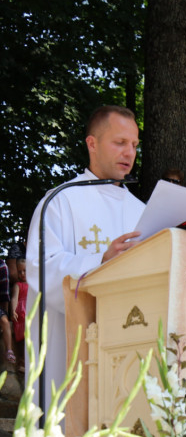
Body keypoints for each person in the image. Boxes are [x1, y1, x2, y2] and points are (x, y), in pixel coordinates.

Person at [26, 105, 145, 406]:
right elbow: (41, 270)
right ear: (92, 143)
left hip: (126, 345)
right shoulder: (60, 200)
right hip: (68, 351)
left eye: (134, 145)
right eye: (120, 142)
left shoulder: (141, 211)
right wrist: (100, 263)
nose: (129, 153)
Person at [10, 259, 27, 370]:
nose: (22, 274)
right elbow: (14, 298)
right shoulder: (18, 285)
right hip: (21, 314)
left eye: (25, 270)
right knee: (23, 338)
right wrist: (13, 310)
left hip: (31, 312)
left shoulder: (34, 284)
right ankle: (23, 361)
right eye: (19, 271)